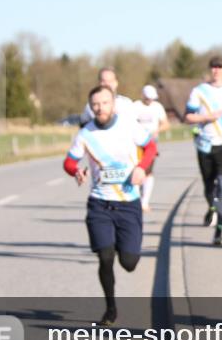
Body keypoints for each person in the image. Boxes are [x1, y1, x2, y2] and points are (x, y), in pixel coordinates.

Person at [64, 85, 155, 326]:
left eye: (104, 103)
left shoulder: (128, 126)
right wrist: (77, 170)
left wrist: (141, 167)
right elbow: (69, 161)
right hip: (99, 204)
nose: (100, 108)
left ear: (112, 104)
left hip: (128, 203)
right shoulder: (86, 134)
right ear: (90, 107)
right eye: (95, 104)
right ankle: (110, 309)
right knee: (105, 257)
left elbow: (151, 147)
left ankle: (122, 245)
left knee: (129, 263)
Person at [184, 56, 222, 245]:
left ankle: (219, 231)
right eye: (213, 67)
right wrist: (207, 117)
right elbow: (188, 117)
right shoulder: (199, 91)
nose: (216, 70)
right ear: (210, 69)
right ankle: (212, 207)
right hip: (205, 144)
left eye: (219, 67)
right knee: (209, 187)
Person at [132, 84, 170, 212]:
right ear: (143, 96)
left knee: (148, 171)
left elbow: (166, 124)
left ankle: (144, 201)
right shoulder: (135, 106)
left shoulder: (157, 107)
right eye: (147, 98)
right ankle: (135, 200)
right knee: (136, 169)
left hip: (151, 143)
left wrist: (157, 130)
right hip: (136, 143)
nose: (150, 101)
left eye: (152, 98)